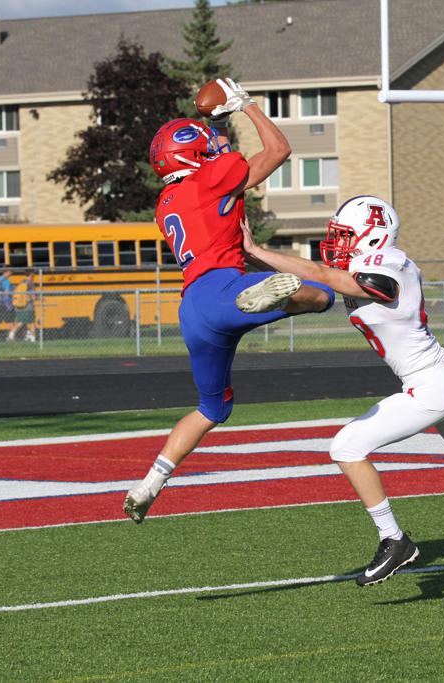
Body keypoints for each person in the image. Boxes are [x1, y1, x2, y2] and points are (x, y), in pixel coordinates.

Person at [235, 195, 444, 597]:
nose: (338, 243)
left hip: (431, 383)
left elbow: (320, 274)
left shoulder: (388, 264)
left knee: (346, 446)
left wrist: (257, 249)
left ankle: (394, 540)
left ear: (373, 235)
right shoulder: (366, 266)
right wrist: (252, 262)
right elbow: (315, 281)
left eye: (346, 235)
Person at [123, 78, 335, 523]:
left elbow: (216, 160)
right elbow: (277, 151)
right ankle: (279, 297)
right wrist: (248, 107)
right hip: (226, 289)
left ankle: (150, 484)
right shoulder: (210, 180)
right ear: (195, 154)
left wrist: (214, 124)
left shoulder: (167, 202)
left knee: (212, 409)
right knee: (322, 296)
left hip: (193, 309)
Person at [8, 270, 38, 342]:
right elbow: (33, 297)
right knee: (32, 322)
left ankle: (11, 336)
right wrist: (38, 298)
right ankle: (33, 339)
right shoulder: (30, 283)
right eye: (33, 275)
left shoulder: (22, 282)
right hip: (28, 306)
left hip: (20, 306)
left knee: (20, 322)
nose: (34, 276)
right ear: (31, 275)